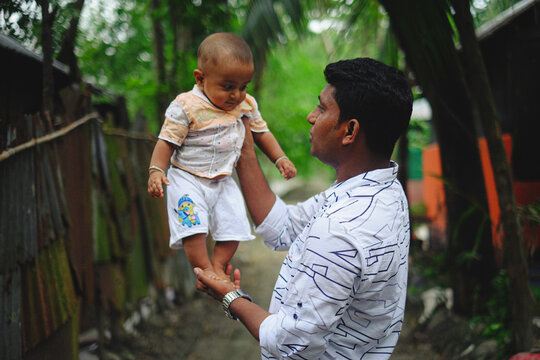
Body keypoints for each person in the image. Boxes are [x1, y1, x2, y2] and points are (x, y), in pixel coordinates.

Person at [194, 57, 413, 359]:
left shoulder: (340, 229)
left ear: (349, 131)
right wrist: (244, 145)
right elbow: (281, 227)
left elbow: (289, 343)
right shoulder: (383, 190)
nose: (312, 117)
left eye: (322, 108)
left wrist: (230, 296)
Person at [147, 32, 296, 281]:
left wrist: (280, 158)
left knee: (235, 227)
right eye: (228, 87)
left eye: (243, 86)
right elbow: (166, 141)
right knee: (193, 230)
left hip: (223, 181)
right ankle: (205, 270)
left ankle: (217, 266)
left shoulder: (246, 104)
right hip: (187, 178)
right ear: (200, 78)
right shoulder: (186, 105)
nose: (236, 94)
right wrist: (156, 170)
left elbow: (262, 133)